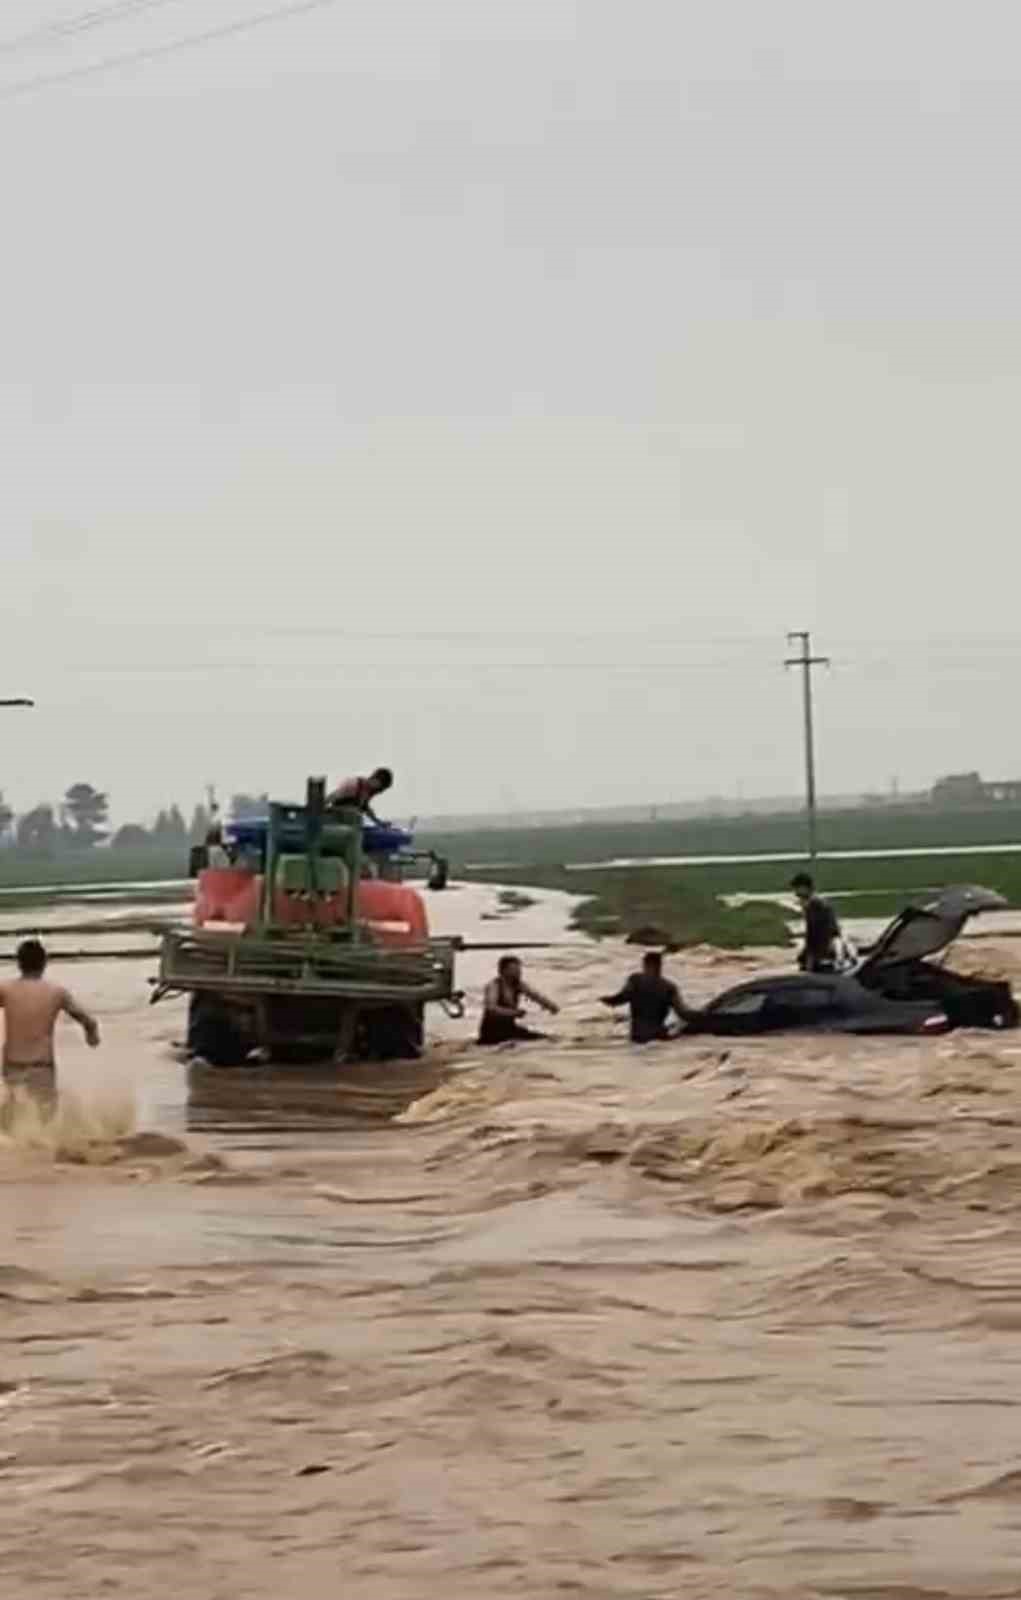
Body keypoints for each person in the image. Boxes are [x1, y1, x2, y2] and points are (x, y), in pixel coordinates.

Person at [0, 940, 99, 1100]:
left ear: (19, 963)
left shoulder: (5, 989)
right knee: (45, 1117)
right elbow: (88, 1021)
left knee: (12, 1117)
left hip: (13, 1065)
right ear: (44, 963)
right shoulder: (56, 992)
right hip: (42, 1066)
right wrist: (92, 1036)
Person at [601, 950, 695, 1042]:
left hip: (637, 1036)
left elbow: (620, 999)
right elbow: (683, 1014)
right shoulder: (668, 987)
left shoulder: (635, 981)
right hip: (659, 1037)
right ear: (659, 966)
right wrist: (701, 1015)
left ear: (645, 964)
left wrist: (606, 1000)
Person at [478, 955, 559, 1045]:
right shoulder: (494, 986)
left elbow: (536, 996)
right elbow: (491, 1008)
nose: (519, 972)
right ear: (504, 971)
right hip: (491, 1032)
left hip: (509, 1028)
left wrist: (551, 1006)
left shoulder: (518, 984)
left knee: (549, 1039)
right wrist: (513, 1013)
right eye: (515, 969)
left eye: (519, 969)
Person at [791, 872, 842, 973]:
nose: (795, 893)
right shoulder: (818, 902)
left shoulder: (815, 905)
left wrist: (810, 957)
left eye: (797, 888)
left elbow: (814, 933)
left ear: (804, 888)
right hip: (827, 947)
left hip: (822, 951)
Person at [327, 768, 394, 824]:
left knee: (357, 813)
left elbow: (366, 808)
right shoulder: (353, 784)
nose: (380, 792)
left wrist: (378, 822)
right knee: (354, 811)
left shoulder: (367, 792)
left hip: (350, 824)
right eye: (381, 788)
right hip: (336, 819)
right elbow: (332, 796)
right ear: (376, 781)